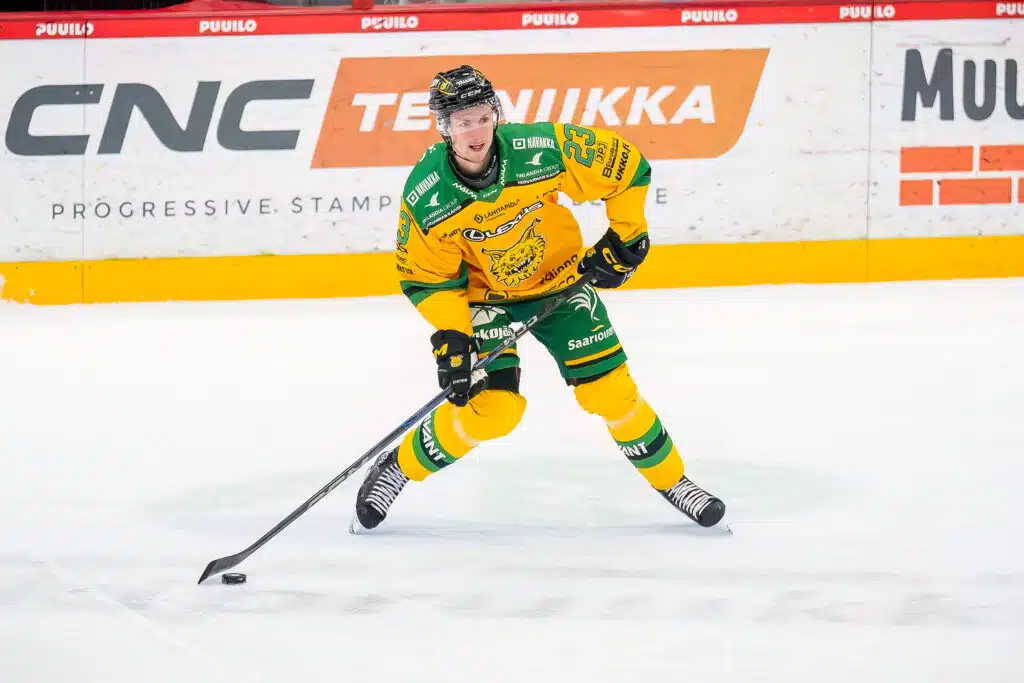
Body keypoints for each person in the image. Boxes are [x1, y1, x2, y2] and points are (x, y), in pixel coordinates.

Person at [350, 65, 726, 533]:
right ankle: (397, 468)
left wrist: (628, 235)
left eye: (483, 117)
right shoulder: (427, 194)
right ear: (444, 127)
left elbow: (626, 166)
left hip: (561, 285)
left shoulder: (539, 148)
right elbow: (427, 279)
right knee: (493, 412)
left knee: (611, 393)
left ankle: (674, 481)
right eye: (463, 121)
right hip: (486, 298)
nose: (476, 132)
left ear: (495, 114)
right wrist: (454, 334)